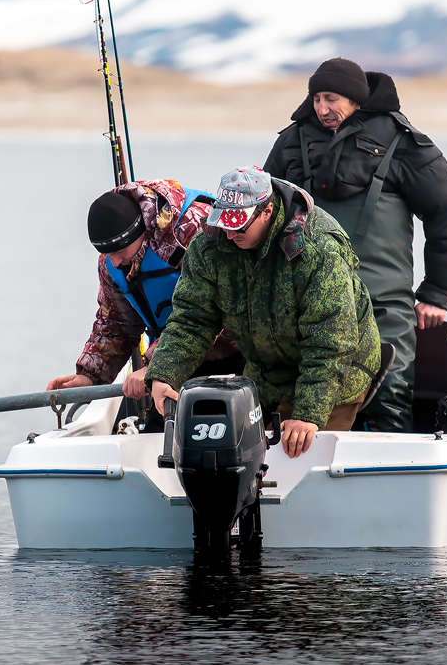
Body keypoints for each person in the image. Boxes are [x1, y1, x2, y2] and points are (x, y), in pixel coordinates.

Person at [262, 57, 447, 432]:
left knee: (390, 399)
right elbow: (263, 216)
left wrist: (437, 293)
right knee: (294, 403)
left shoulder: (402, 142)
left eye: (331, 99)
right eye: (316, 99)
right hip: (302, 302)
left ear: (356, 99)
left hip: (382, 302)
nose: (321, 109)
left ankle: (389, 464)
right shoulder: (291, 142)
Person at [146, 167, 380, 458]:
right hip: (265, 372)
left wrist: (308, 415)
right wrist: (165, 375)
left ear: (267, 211)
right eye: (225, 225)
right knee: (239, 452)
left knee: (300, 452)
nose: (230, 236)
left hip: (340, 371)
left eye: (239, 227)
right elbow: (192, 319)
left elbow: (331, 343)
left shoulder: (318, 250)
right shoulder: (210, 244)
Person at [47, 179, 241, 400]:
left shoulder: (194, 230)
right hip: (169, 366)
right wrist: (89, 376)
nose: (116, 261)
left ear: (139, 233)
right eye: (107, 253)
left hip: (235, 355)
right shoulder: (111, 262)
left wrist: (156, 365)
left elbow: (215, 311)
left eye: (120, 250)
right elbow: (116, 323)